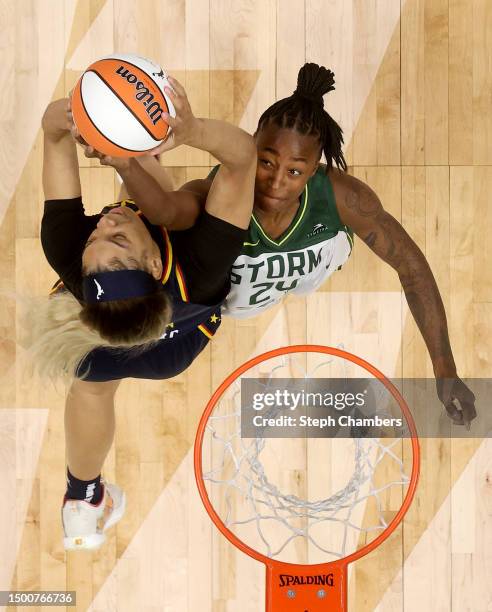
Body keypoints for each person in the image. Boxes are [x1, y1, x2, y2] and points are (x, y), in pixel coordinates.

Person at [92, 63, 476, 429]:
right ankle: (143, 155)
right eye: (265, 161)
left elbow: (412, 268)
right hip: (232, 300)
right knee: (155, 229)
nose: (276, 183)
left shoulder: (344, 197)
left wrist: (445, 372)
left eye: (294, 171)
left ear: (315, 169)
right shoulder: (217, 196)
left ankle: (143, 160)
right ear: (250, 146)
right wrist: (124, 165)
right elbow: (164, 210)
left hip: (312, 266)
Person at [38, 76, 256, 550]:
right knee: (152, 205)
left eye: (94, 239)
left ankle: (84, 499)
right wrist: (192, 129)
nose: (102, 225)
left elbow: (52, 132)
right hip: (173, 349)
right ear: (156, 265)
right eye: (116, 239)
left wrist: (72, 117)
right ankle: (79, 503)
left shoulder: (66, 248)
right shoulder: (200, 264)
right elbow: (243, 160)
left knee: (90, 388)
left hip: (107, 344)